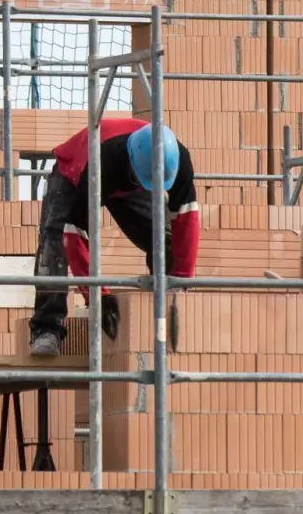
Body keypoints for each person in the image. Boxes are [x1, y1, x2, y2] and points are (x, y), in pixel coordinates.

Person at [28, 118, 199, 356]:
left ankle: (161, 313)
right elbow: (73, 233)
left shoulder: (178, 162)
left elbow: (186, 222)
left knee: (162, 239)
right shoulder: (102, 163)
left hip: (127, 178)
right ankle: (47, 330)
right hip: (74, 172)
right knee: (53, 242)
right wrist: (98, 297)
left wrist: (181, 284)